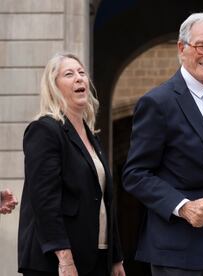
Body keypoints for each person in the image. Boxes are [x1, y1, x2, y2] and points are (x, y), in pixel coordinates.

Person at [122, 12, 203, 276]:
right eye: (202, 46)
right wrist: (183, 207)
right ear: (182, 48)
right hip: (178, 251)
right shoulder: (158, 103)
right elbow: (135, 175)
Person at [18, 53, 125, 276]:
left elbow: (105, 198)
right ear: (53, 86)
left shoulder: (90, 136)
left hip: (96, 256)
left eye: (82, 73)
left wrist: (115, 258)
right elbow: (44, 200)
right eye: (69, 74)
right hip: (56, 261)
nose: (79, 78)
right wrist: (64, 259)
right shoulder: (45, 130)